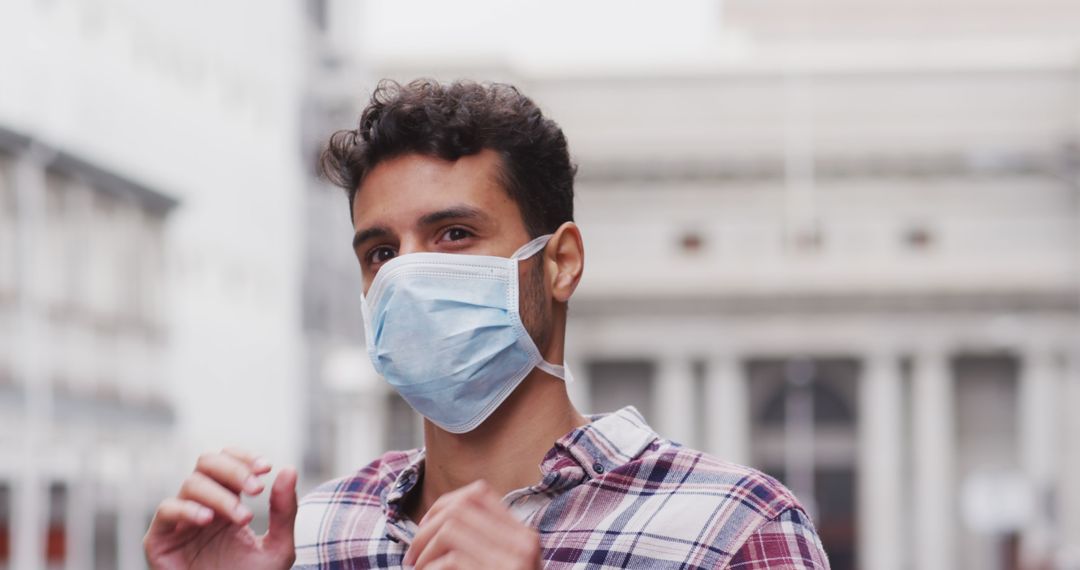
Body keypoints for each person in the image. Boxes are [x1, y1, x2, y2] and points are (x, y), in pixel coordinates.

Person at [143, 79, 830, 569]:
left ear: (560, 263)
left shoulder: (731, 529)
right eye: (381, 252)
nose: (406, 276)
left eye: (453, 235)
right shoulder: (317, 536)